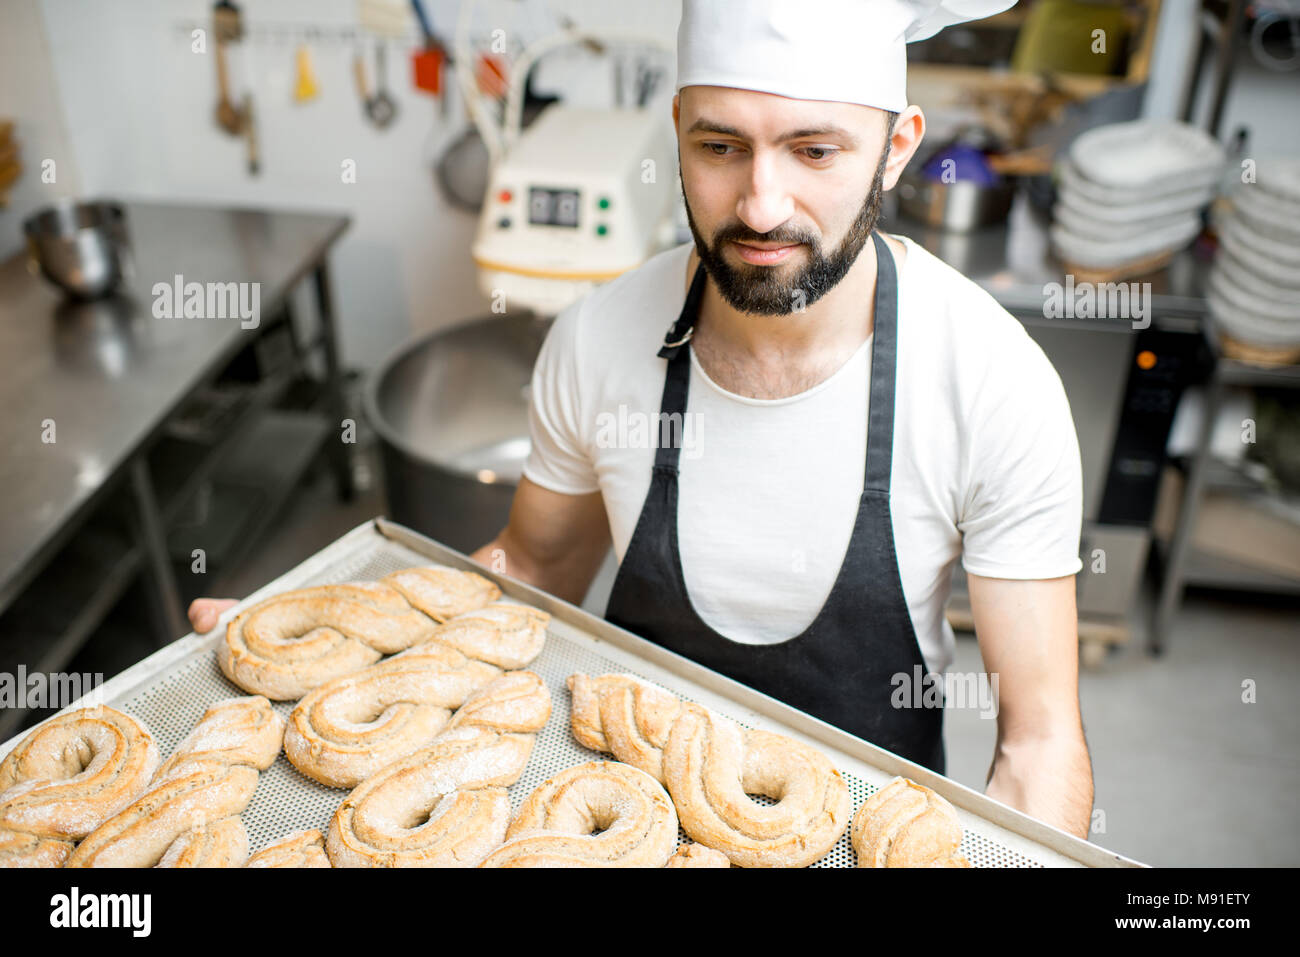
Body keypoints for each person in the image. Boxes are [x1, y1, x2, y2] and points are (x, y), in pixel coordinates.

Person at [191, 0, 1094, 838]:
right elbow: (534, 569)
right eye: (721, 146)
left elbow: (1038, 743)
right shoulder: (598, 338)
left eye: (815, 152)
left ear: (897, 148)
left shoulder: (991, 382)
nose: (761, 205)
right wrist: (334, 641)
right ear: (678, 133)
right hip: (622, 819)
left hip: (862, 840)